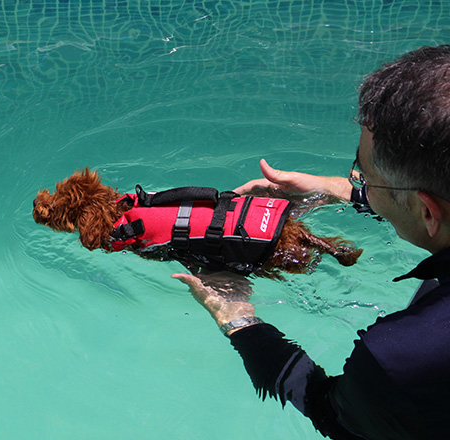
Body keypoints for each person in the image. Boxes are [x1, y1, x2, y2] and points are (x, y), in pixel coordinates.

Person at [173, 44, 450, 440]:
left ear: (428, 212)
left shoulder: (405, 359)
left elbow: (332, 412)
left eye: (363, 176)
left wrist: (238, 318)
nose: (357, 181)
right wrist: (333, 190)